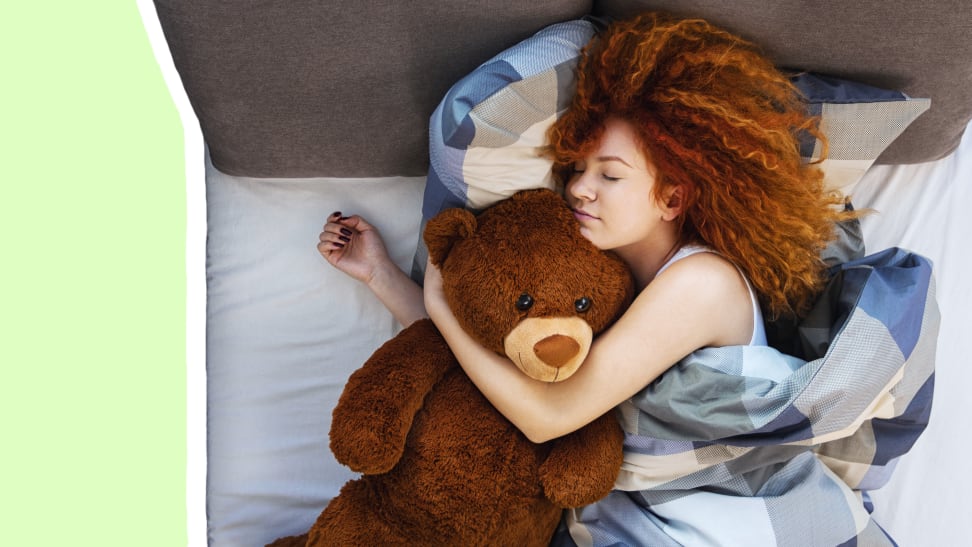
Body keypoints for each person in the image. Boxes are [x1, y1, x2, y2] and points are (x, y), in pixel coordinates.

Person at [320, 12, 860, 545]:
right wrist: (379, 274)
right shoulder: (609, 281)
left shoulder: (703, 282)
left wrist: (440, 308)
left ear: (672, 198)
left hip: (723, 508)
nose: (579, 188)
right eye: (577, 169)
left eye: (610, 174)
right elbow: (500, 364)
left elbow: (547, 416)